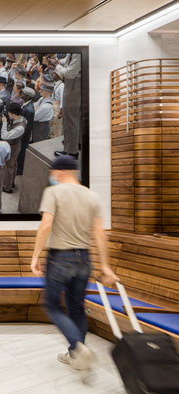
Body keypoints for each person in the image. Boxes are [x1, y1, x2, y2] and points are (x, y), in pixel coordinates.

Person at [31, 156, 118, 375]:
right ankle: (75, 354)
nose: (51, 177)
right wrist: (105, 266)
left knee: (52, 306)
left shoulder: (54, 192)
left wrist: (35, 256)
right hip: (84, 259)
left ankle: (78, 347)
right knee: (76, 307)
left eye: (52, 173)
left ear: (59, 172)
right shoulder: (91, 196)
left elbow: (45, 226)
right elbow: (99, 233)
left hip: (60, 258)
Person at [0, 103, 26, 193]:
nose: (8, 114)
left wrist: (4, 123)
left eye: (9, 113)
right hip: (15, 144)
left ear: (13, 114)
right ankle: (11, 182)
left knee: (8, 167)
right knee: (13, 165)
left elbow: (4, 136)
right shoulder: (22, 119)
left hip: (13, 147)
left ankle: (7, 187)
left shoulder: (20, 128)